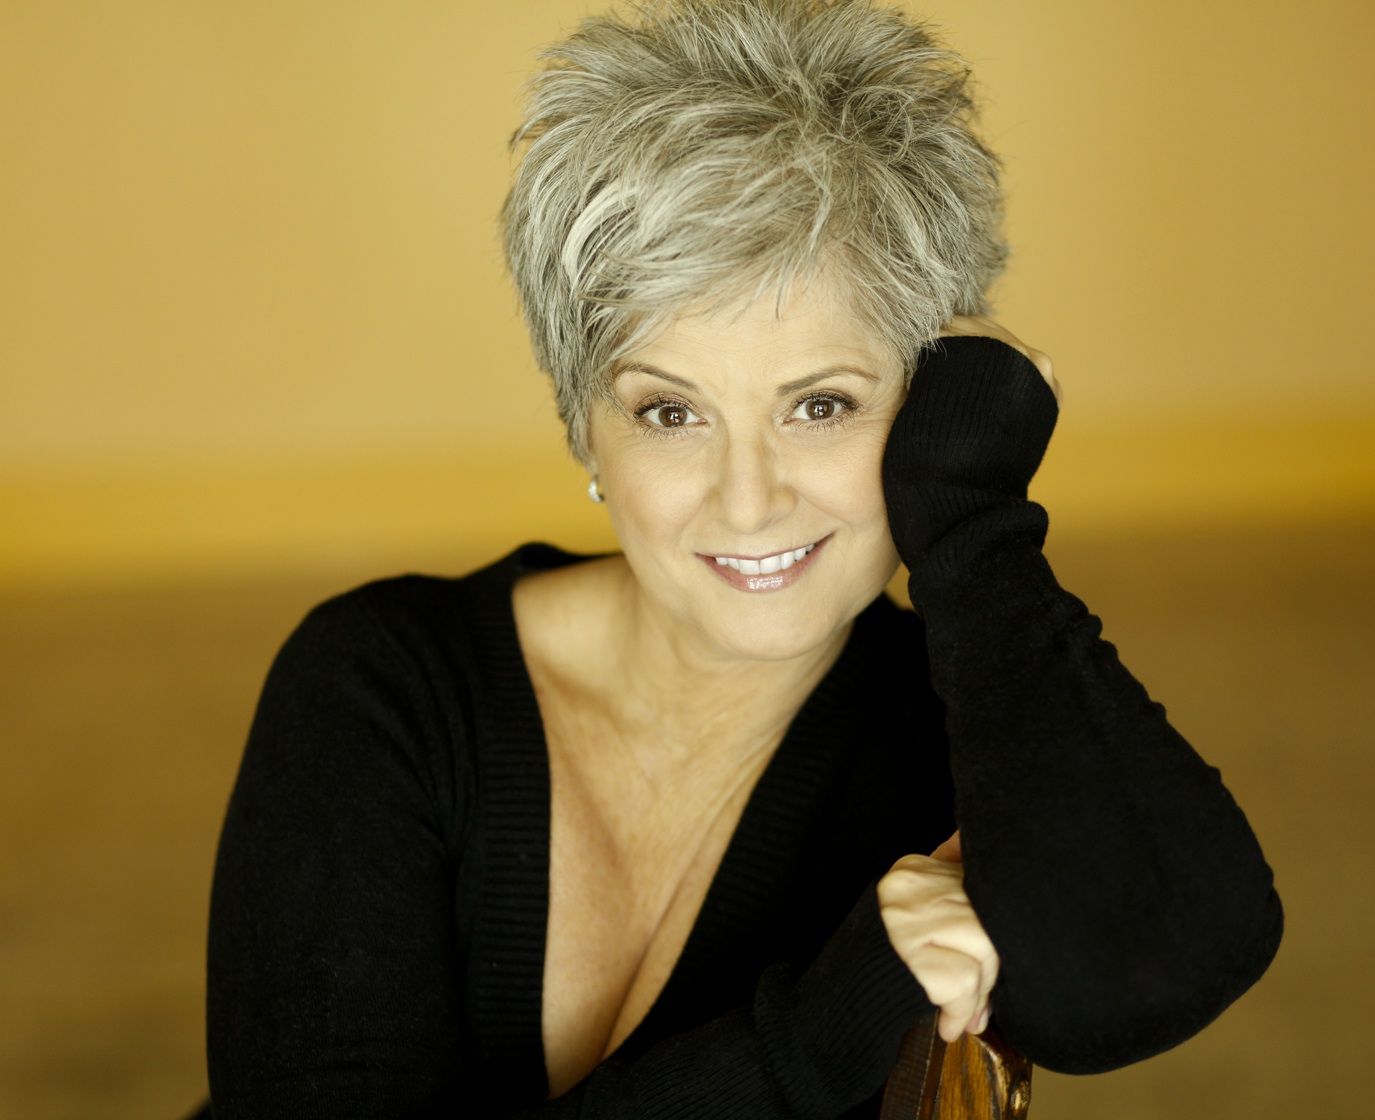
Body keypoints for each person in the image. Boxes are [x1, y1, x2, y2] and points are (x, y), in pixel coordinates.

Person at [199, 1, 1284, 1117]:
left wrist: (971, 518)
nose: (749, 497)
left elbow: (1147, 964)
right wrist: (822, 1031)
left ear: (924, 404)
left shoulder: (962, 734)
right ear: (584, 431)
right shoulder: (381, 684)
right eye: (670, 413)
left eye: (820, 404)